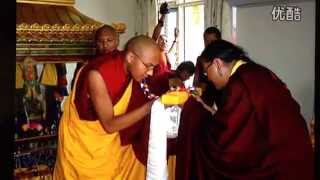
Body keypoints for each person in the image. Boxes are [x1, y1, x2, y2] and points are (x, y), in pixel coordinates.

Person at [176, 40, 314, 179]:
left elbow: (225, 144)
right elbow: (240, 124)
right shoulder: (257, 72)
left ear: (217, 64)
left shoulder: (240, 84)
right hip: (298, 156)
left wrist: (192, 111)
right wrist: (204, 108)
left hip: (279, 167)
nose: (209, 79)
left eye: (206, 72)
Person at [53, 35, 161, 180]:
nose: (150, 72)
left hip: (109, 144)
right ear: (130, 57)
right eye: (148, 66)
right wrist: (150, 107)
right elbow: (109, 125)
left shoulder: (128, 66)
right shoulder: (98, 75)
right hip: (84, 143)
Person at [193, 26, 222, 107]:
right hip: (203, 104)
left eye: (212, 41)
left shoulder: (225, 60)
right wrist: (190, 94)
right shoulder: (200, 59)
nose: (209, 44)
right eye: (206, 41)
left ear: (219, 41)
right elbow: (196, 84)